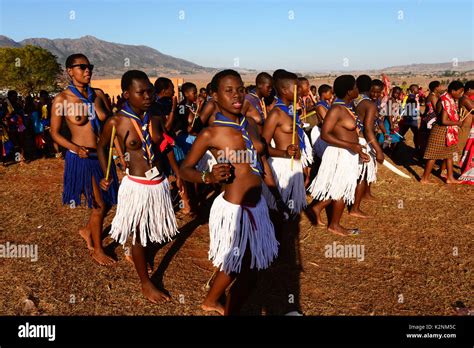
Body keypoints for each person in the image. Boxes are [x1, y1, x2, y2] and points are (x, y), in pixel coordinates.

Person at [179, 69, 280, 315]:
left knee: (246, 266)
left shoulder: (250, 124)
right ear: (214, 96)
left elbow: (261, 159)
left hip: (257, 207)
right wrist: (208, 177)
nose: (237, 95)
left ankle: (212, 300)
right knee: (244, 266)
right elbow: (185, 170)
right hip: (235, 210)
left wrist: (275, 195)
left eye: (240, 89)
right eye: (228, 90)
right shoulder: (211, 133)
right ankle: (222, 304)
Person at [98, 70, 180, 303]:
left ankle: (138, 254)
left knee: (148, 231)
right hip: (136, 186)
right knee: (137, 235)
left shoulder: (154, 116)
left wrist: (178, 174)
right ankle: (145, 283)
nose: (147, 96)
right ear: (126, 94)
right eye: (141, 92)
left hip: (158, 184)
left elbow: (165, 145)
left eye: (150, 91)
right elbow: (103, 147)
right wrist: (107, 173)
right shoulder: (116, 121)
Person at [51, 53, 118, 265]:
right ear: (70, 71)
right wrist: (74, 147)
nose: (87, 70)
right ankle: (98, 249)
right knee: (98, 205)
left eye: (90, 66)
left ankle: (88, 230)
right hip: (82, 157)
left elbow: (110, 125)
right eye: (82, 67)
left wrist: (118, 151)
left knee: (107, 202)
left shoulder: (98, 95)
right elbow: (54, 132)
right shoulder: (62, 99)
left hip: (102, 156)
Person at [307, 75, 370, 233]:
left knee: (340, 186)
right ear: (349, 91)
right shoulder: (336, 109)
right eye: (355, 87)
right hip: (340, 153)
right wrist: (351, 146)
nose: (358, 89)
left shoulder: (347, 107)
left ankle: (316, 208)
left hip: (348, 152)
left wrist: (357, 148)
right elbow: (325, 134)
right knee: (341, 188)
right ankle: (334, 225)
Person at [262, 70, 312, 214]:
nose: (300, 90)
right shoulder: (276, 114)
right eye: (296, 87)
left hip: (294, 165)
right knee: (278, 212)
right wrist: (284, 153)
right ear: (284, 90)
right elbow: (262, 146)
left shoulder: (291, 111)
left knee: (292, 212)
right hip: (282, 166)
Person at [351, 75, 384, 218]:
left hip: (361, 139)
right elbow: (368, 129)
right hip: (364, 140)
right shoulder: (367, 103)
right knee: (363, 174)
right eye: (374, 91)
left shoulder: (357, 99)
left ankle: (365, 195)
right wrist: (378, 150)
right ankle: (355, 208)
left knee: (364, 173)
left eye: (379, 92)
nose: (376, 94)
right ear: (369, 88)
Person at [420, 81, 464, 184]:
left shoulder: (449, 99)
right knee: (433, 155)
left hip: (448, 131)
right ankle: (424, 179)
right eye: (460, 92)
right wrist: (457, 122)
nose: (461, 94)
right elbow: (443, 121)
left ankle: (450, 178)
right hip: (440, 131)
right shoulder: (445, 101)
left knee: (449, 155)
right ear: (453, 91)